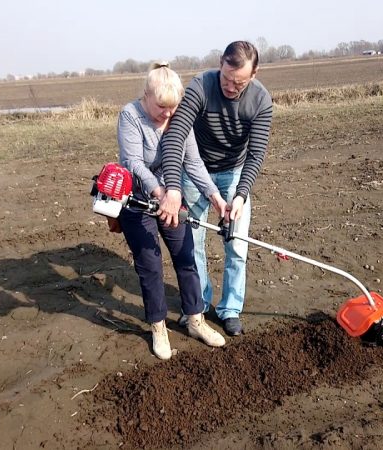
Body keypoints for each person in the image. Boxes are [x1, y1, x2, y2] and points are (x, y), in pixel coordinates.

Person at [157, 41, 274, 336]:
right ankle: (200, 302)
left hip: (234, 172)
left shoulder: (261, 100)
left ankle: (230, 309)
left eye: (239, 83)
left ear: (254, 74)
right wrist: (173, 187)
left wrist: (240, 195)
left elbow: (256, 154)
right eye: (226, 79)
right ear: (220, 63)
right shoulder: (201, 86)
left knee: (236, 244)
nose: (230, 88)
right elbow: (175, 135)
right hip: (195, 171)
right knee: (192, 243)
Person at [116, 62, 227, 360]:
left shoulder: (178, 119)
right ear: (146, 96)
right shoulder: (130, 115)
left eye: (173, 107)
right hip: (138, 201)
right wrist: (161, 192)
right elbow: (133, 162)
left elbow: (193, 162)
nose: (168, 114)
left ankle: (195, 320)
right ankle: (158, 327)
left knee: (186, 255)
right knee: (150, 264)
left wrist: (214, 196)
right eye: (161, 107)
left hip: (172, 199)